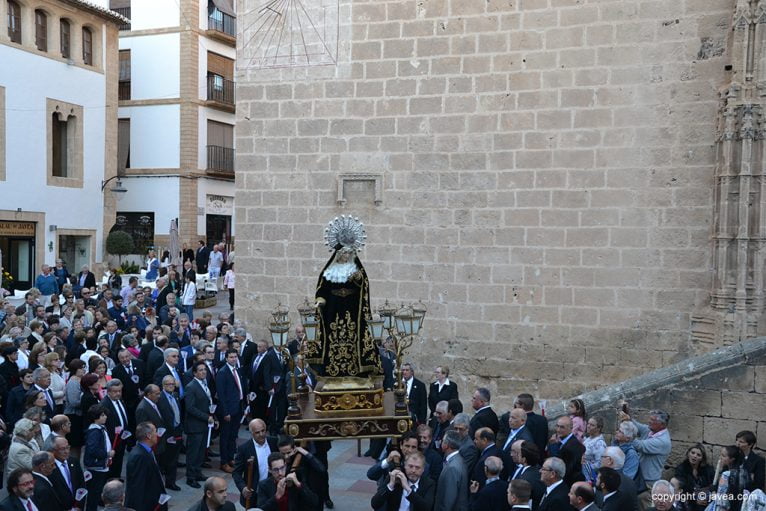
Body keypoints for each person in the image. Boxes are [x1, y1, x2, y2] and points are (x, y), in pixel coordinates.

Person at [308, 244, 380, 377]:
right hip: (333, 310)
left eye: (349, 253)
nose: (347, 256)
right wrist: (320, 301)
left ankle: (355, 371)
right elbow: (322, 290)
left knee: (353, 338)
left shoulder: (356, 269)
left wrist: (359, 278)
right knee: (331, 338)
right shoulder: (329, 271)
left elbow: (364, 286)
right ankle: (331, 371)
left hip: (352, 310)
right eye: (344, 253)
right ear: (338, 253)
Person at [619, 409, 671, 490]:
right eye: (650, 418)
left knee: (642, 501)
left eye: (652, 420)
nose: (649, 421)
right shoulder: (651, 430)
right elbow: (637, 426)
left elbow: (640, 445)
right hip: (639, 476)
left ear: (662, 424)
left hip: (648, 481)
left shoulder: (662, 441)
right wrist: (628, 418)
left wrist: (626, 434)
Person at [232, 419, 277, 508]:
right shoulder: (244, 449)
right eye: (257, 432)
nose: (261, 434)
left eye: (263, 431)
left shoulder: (274, 442)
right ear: (251, 433)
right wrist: (243, 488)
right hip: (254, 493)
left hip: (272, 490)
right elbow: (236, 473)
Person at [371, 450, 435, 511]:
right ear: (405, 466)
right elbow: (375, 503)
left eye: (417, 467)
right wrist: (390, 486)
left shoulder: (429, 484)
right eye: (410, 466)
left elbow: (427, 508)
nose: (413, 471)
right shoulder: (395, 477)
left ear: (423, 469)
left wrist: (407, 488)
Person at [184, 361, 215, 488]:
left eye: (205, 369)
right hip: (195, 425)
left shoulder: (204, 383)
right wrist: (206, 417)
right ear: (195, 373)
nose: (203, 372)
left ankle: (198, 473)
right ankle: (190, 477)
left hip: (204, 424)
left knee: (201, 451)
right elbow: (190, 408)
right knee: (193, 453)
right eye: (200, 370)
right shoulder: (191, 387)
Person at [125, 422, 166, 511]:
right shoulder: (139, 456)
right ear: (149, 436)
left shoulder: (146, 451)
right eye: (155, 431)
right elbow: (138, 488)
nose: (157, 434)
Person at [83, 404, 113, 511]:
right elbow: (93, 450)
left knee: (97, 491)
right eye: (102, 415)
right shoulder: (94, 431)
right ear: (95, 417)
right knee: (94, 493)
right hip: (96, 467)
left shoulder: (100, 429)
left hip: (100, 465)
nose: (105, 417)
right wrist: (107, 454)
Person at [47, 436, 86, 511]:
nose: (67, 451)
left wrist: (79, 506)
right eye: (62, 449)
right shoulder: (50, 468)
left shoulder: (74, 462)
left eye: (67, 447)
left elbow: (81, 485)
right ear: (53, 451)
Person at [674, 443, 714, 511]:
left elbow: (713, 485)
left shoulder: (708, 470)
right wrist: (694, 500)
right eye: (692, 453)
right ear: (688, 454)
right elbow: (681, 489)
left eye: (698, 455)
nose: (694, 456)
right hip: (687, 500)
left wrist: (710, 496)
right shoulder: (682, 469)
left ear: (702, 458)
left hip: (704, 499)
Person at [435, 430, 468, 511]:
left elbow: (448, 498)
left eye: (443, 441)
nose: (441, 442)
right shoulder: (458, 459)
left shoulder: (452, 467)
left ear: (447, 445)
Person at [548, 415, 585, 486]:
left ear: (571, 429)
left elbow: (558, 465)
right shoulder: (561, 441)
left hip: (568, 485)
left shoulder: (573, 445)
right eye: (557, 426)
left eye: (562, 427)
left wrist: (553, 446)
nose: (558, 430)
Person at [583, 415, 607, 483]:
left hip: (589, 478)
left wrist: (585, 466)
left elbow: (600, 463)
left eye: (592, 425)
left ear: (598, 428)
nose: (588, 426)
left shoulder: (600, 444)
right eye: (588, 423)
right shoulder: (588, 438)